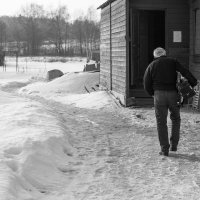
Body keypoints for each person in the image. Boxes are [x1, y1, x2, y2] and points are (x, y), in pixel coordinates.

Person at [143, 47, 197, 156]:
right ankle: (174, 145)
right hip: (173, 94)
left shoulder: (152, 65)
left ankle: (164, 149)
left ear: (155, 56)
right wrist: (193, 82)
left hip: (159, 95)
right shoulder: (173, 61)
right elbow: (185, 71)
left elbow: (146, 83)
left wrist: (152, 94)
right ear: (164, 54)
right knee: (176, 119)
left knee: (161, 122)